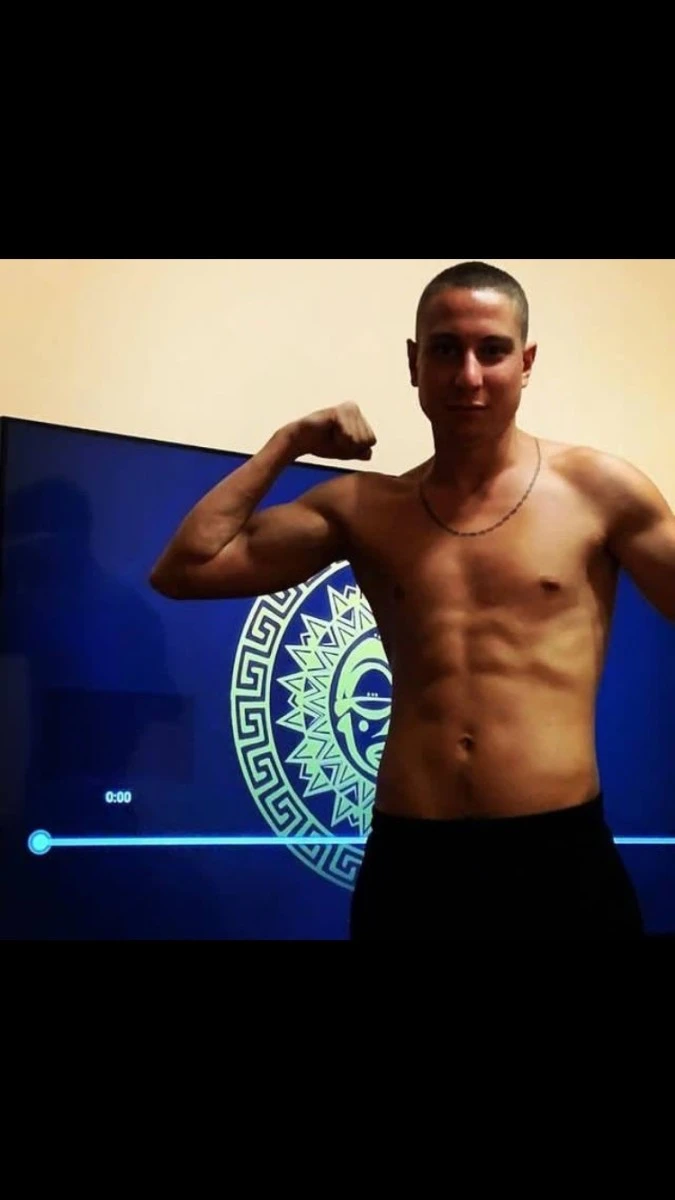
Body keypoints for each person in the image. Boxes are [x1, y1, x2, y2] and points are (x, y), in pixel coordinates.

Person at [149, 261, 675, 939]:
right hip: (413, 858)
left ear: (525, 363)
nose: (468, 376)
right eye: (445, 349)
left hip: (557, 856)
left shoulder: (598, 491)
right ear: (413, 362)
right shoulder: (366, 510)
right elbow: (185, 568)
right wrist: (289, 443)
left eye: (492, 351)